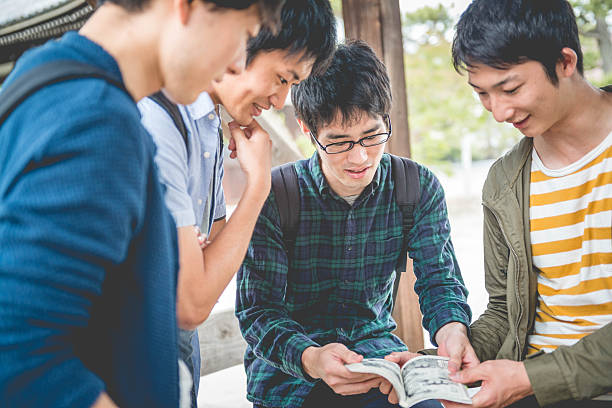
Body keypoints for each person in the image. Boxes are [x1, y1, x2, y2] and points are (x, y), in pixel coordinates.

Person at [0, 0, 283, 407]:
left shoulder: (41, 72)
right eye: (243, 34)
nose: (238, 64)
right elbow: (20, 356)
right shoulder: (98, 120)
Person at [384, 1, 611, 407]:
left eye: (510, 89)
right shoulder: (505, 182)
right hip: (530, 384)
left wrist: (531, 378)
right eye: (482, 94)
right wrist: (440, 364)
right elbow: (506, 310)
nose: (500, 112)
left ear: (565, 62)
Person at [235, 40, 473, 408]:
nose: (360, 157)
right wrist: (312, 358)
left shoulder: (416, 186)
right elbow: (258, 312)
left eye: (372, 135)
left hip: (378, 360)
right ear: (306, 128)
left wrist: (452, 332)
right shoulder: (275, 195)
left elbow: (440, 282)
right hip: (291, 376)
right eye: (340, 142)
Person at [137, 0, 336, 405]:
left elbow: (213, 251)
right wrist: (258, 184)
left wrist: (200, 262)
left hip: (175, 355)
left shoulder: (210, 124)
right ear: (244, 38)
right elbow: (191, 303)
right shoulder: (156, 118)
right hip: (133, 354)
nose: (280, 100)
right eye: (282, 78)